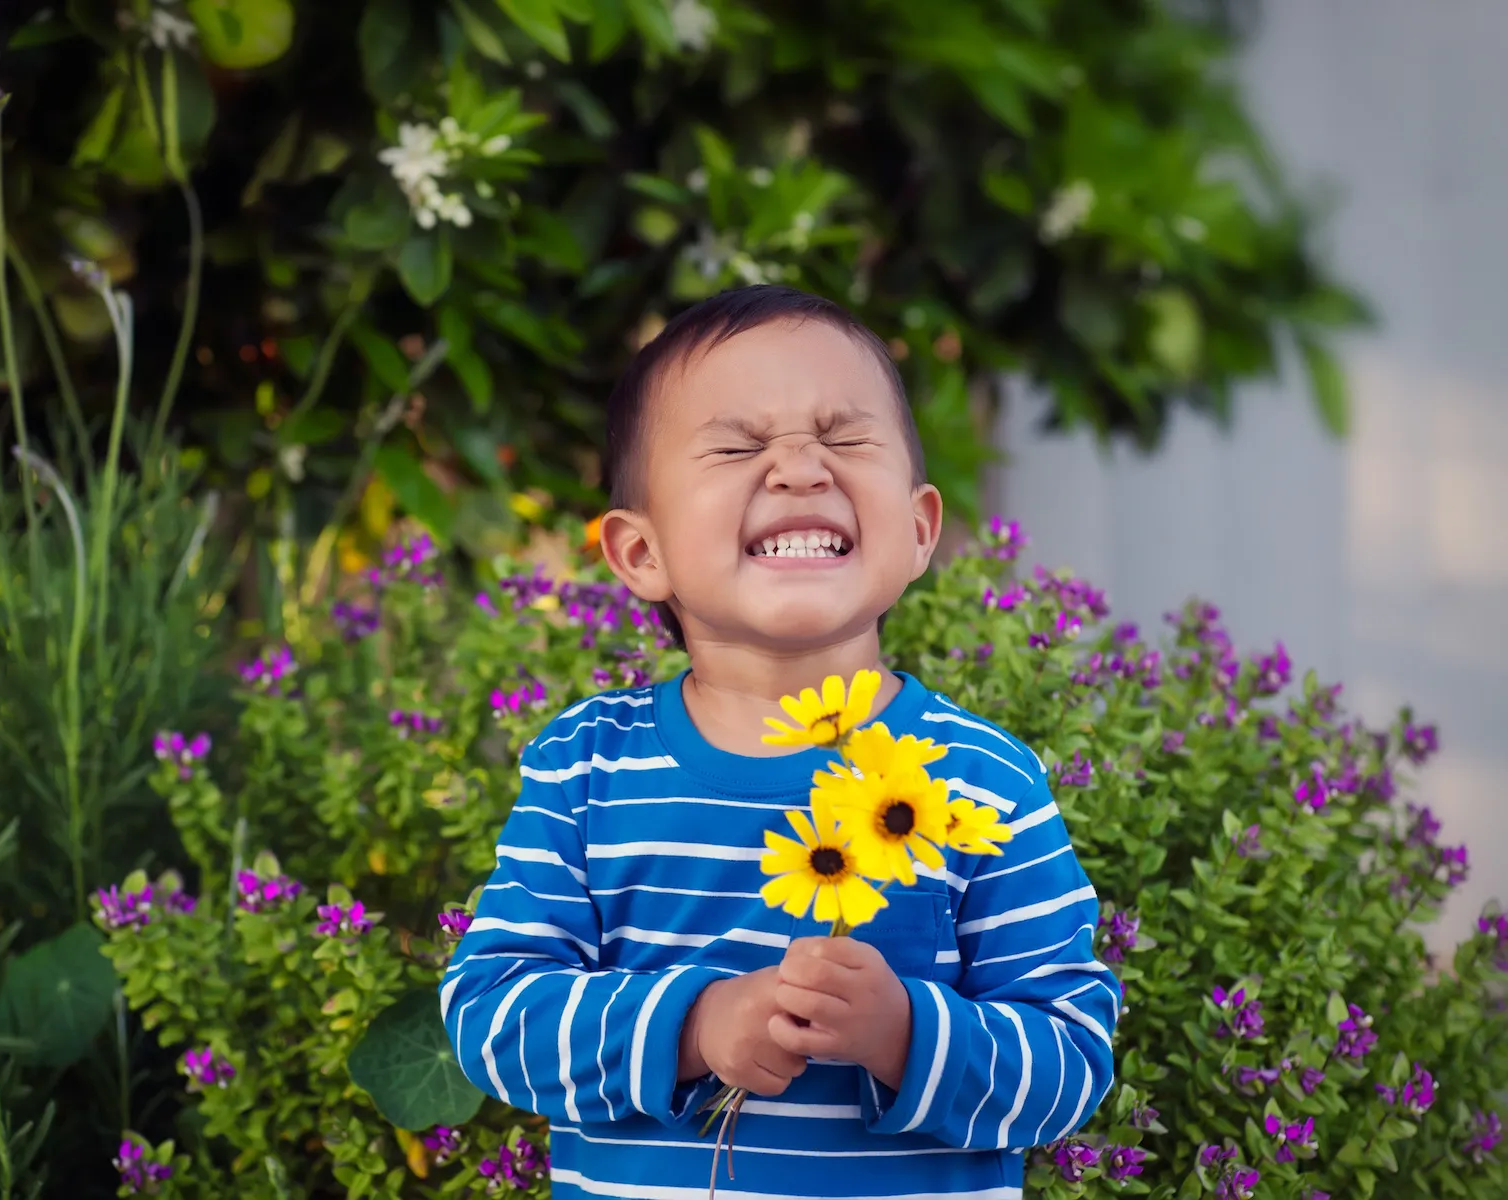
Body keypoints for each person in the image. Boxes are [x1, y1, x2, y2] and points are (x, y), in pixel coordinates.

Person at [441, 284, 1119, 1199]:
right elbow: (491, 1016)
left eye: (844, 439)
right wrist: (692, 1026)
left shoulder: (980, 777)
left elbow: (1071, 1058)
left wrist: (902, 1035)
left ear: (921, 529)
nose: (801, 469)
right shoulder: (587, 769)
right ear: (642, 554)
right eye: (735, 445)